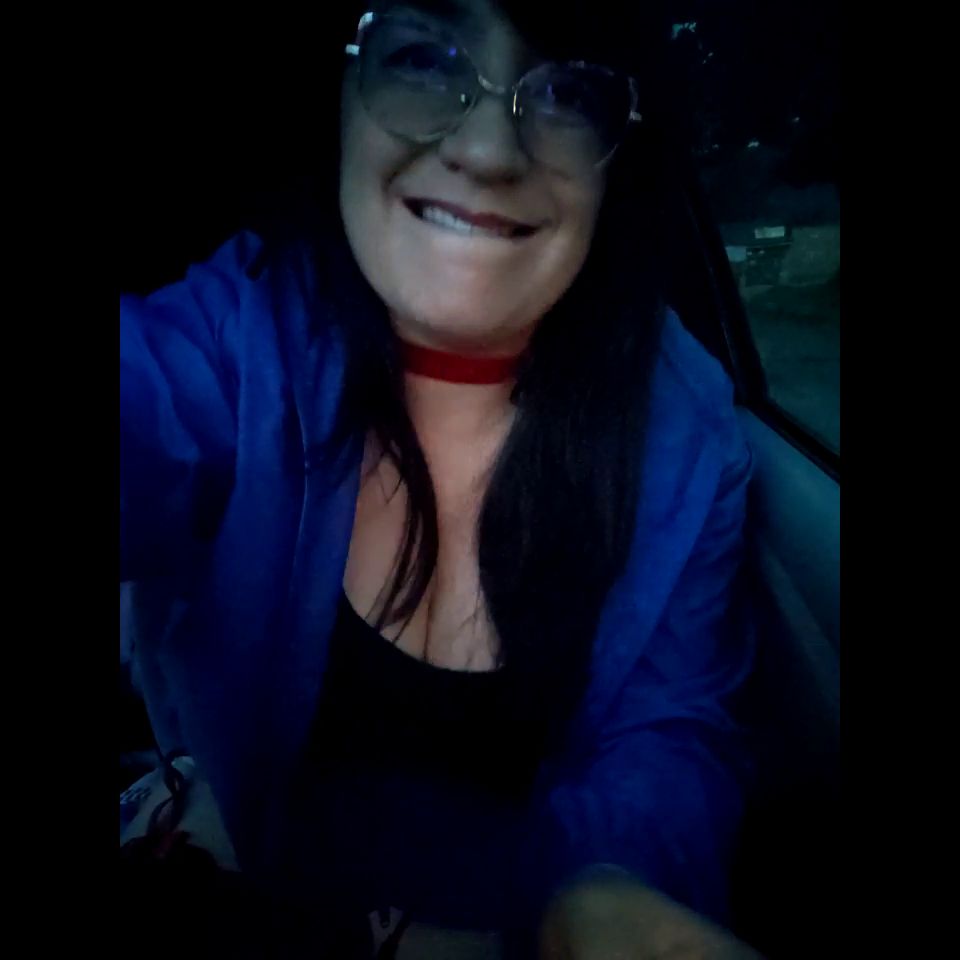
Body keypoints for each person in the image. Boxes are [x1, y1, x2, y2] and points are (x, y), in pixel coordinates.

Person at [120, 1, 760, 956]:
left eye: (565, 90)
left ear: (618, 150)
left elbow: (669, 733)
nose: (491, 149)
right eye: (423, 56)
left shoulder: (687, 429)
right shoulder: (234, 336)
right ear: (341, 90)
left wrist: (607, 890)